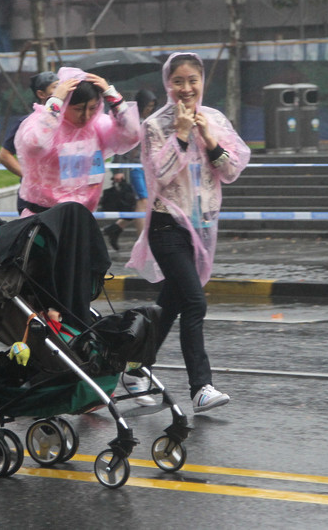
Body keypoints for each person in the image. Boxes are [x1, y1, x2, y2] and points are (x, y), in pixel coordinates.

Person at [127, 52, 250, 413]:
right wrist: (180, 135)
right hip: (168, 227)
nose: (185, 89)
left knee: (170, 306)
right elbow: (159, 176)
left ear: (201, 82)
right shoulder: (154, 125)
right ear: (168, 84)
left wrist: (210, 141)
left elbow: (231, 170)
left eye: (192, 81)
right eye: (178, 81)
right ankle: (201, 387)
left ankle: (135, 370)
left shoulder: (214, 119)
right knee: (195, 302)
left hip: (203, 227)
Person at [14, 66, 140, 217]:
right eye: (78, 109)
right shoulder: (44, 122)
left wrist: (112, 95)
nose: (86, 116)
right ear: (65, 104)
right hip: (43, 216)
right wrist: (55, 101)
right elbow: (35, 145)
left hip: (83, 218)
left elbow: (132, 135)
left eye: (92, 108)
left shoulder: (97, 125)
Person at [103, 89, 158, 251]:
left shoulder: (148, 120)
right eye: (148, 105)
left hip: (145, 167)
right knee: (143, 201)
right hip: (133, 167)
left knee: (141, 203)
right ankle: (143, 241)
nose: (150, 108)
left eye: (152, 105)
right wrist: (119, 169)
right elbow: (121, 144)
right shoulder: (130, 120)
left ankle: (116, 228)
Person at [0, 71, 59, 213]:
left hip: (60, 197)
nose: (60, 91)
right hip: (33, 200)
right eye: (55, 87)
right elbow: (4, 155)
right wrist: (30, 177)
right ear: (41, 94)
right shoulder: (27, 123)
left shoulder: (67, 123)